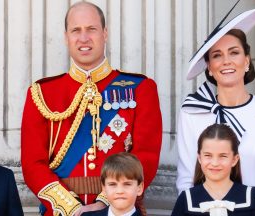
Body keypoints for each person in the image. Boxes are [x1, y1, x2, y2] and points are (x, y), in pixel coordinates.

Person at [21, 2, 162, 216]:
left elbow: (146, 156)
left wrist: (107, 202)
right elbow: (33, 164)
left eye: (91, 29)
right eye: (76, 30)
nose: (84, 38)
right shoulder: (42, 93)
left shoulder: (141, 89)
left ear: (105, 33)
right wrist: (69, 206)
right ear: (66, 36)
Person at [176, 4, 255, 216]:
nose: (226, 61)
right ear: (209, 66)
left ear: (246, 61)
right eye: (217, 55)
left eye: (234, 52)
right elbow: (185, 179)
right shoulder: (192, 112)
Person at [172, 124, 255, 216]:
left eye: (223, 156)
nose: (215, 163)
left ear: (234, 159)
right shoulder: (186, 200)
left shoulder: (251, 198)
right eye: (208, 155)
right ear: (200, 158)